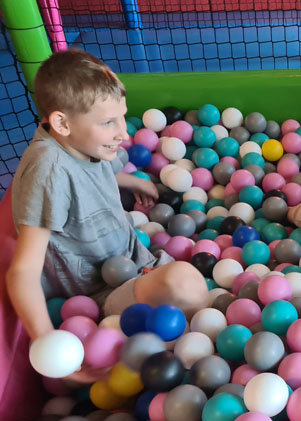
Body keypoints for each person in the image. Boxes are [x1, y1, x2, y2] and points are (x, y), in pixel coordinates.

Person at [5, 49, 207, 384]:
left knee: (191, 284)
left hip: (135, 262)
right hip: (102, 293)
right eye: (108, 123)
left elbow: (86, 175)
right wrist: (51, 348)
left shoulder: (83, 142)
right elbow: (22, 272)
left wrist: (128, 180)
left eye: (122, 118)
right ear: (62, 123)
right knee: (186, 283)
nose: (123, 133)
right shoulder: (47, 172)